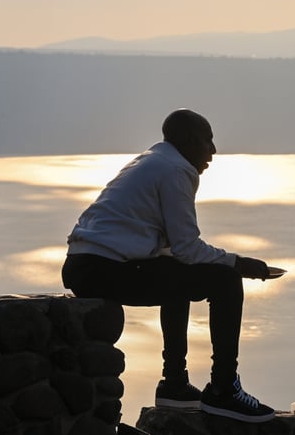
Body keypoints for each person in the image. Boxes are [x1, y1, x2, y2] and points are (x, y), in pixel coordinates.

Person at [61, 109, 275, 423]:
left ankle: (175, 384)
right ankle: (224, 389)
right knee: (225, 280)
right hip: (104, 269)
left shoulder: (153, 161)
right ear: (189, 141)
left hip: (86, 266)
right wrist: (239, 264)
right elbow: (189, 248)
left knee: (174, 271)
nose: (213, 153)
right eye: (208, 141)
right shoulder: (176, 170)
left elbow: (178, 252)